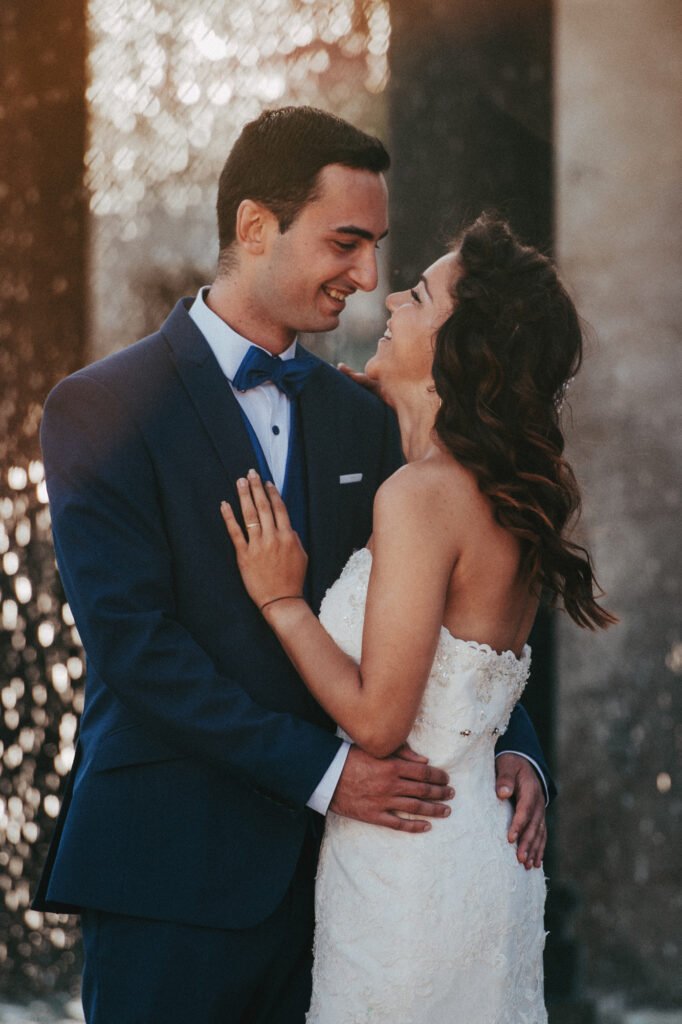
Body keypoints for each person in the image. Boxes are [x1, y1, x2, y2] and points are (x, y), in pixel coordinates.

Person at [35, 108, 552, 1023]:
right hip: (172, 877)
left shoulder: (365, 416)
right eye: (346, 242)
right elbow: (135, 649)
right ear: (253, 226)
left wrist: (507, 748)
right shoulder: (99, 409)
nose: (368, 277)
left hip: (351, 888)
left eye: (378, 248)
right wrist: (326, 773)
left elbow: (456, 605)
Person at [222, 212, 616, 1023]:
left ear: (458, 347)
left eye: (421, 294)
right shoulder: (496, 495)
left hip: (406, 875)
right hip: (477, 857)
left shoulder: (420, 499)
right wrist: (399, 400)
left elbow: (377, 721)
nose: (393, 297)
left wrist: (282, 601)